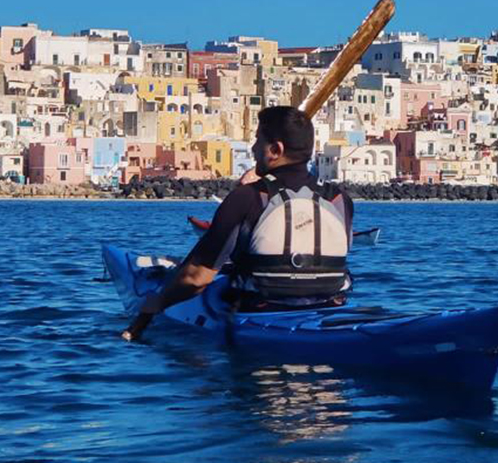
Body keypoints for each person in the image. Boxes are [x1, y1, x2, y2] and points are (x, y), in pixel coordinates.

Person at [121, 106, 353, 341]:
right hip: (329, 311)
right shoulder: (339, 199)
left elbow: (196, 279)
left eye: (257, 141)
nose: (253, 149)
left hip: (261, 316)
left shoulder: (247, 198)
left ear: (275, 150)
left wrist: (157, 303)